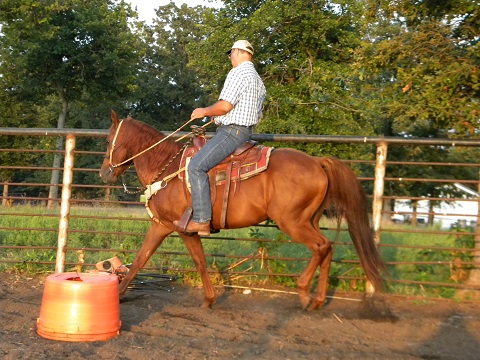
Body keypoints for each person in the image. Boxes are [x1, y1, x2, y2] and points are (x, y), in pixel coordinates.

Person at [174, 40, 267, 236]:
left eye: (231, 53)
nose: (230, 57)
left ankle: (201, 220)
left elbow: (226, 105)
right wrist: (218, 116)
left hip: (231, 133)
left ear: (239, 52)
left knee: (196, 166)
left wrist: (204, 111)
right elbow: (242, 110)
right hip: (245, 132)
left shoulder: (238, 73)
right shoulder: (257, 79)